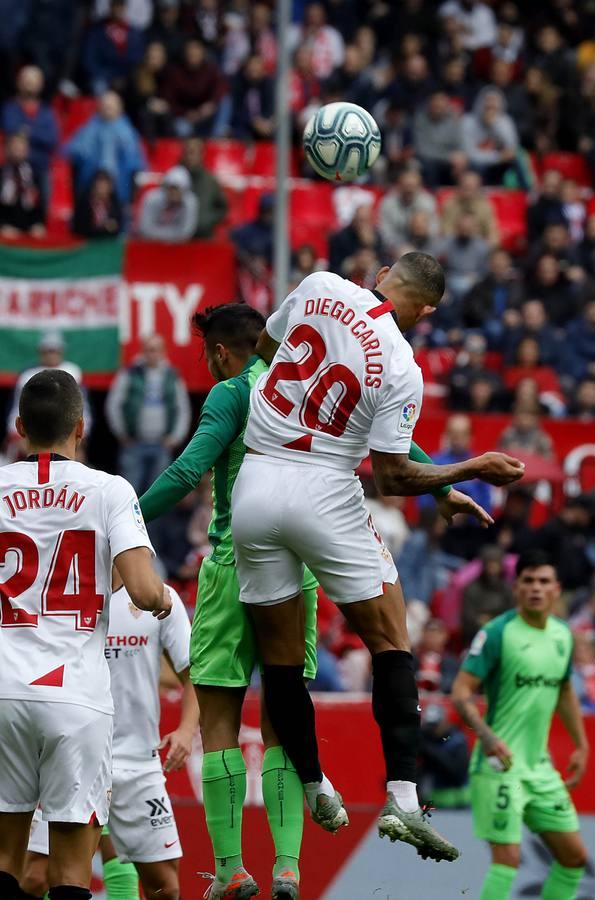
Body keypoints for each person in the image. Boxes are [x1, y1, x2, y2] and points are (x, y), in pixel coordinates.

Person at [230, 252, 525, 862]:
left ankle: (315, 784)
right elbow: (391, 477)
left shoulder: (318, 285)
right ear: (429, 310)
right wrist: (469, 469)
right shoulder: (401, 364)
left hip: (255, 483)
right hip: (325, 488)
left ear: (387, 268)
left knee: (280, 661)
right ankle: (403, 798)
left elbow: (263, 346)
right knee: (391, 639)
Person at [139, 304, 320, 900]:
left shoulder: (230, 394)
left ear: (220, 353)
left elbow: (190, 468)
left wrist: (120, 522)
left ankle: (230, 869)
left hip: (233, 568)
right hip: (298, 572)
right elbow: (394, 446)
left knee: (219, 723)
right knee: (283, 722)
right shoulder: (307, 390)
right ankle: (288, 867)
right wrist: (445, 479)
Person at [0, 369, 169, 900]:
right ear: (81, 428)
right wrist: (163, 599)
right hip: (76, 697)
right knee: (71, 871)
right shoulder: (109, 490)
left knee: (5, 862)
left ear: (20, 426)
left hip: (4, 689)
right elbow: (143, 591)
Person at [21, 578, 197, 900]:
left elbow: (193, 674)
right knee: (35, 875)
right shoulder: (62, 595)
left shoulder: (160, 597)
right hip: (70, 754)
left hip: (137, 759)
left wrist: (186, 731)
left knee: (165, 887)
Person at [451, 550, 589, 900]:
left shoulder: (563, 636)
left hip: (538, 767)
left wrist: (581, 745)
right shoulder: (497, 633)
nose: (536, 589)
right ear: (516, 588)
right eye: (528, 581)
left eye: (544, 582)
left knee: (574, 858)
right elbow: (461, 693)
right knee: (508, 858)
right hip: (499, 766)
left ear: (557, 589)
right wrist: (488, 737)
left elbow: (565, 689)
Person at [105, 335, 191, 495]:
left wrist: (176, 437)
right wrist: (121, 432)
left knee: (157, 494)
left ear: (163, 352)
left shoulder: (172, 375)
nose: (152, 354)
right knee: (129, 492)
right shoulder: (130, 373)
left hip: (161, 444)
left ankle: (155, 522)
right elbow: (114, 403)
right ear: (143, 351)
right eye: (148, 350)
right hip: (134, 443)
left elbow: (182, 407)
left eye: (155, 350)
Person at [5, 332, 93, 449]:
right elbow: (18, 407)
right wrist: (15, 435)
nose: (51, 354)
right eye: (48, 350)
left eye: (54, 350)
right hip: (34, 436)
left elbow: (82, 407)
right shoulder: (27, 375)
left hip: (65, 436)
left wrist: (82, 434)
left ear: (61, 351)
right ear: (40, 351)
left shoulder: (74, 372)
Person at [66, 91, 145, 208]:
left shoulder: (128, 132)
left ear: (120, 108)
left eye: (111, 106)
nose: (108, 108)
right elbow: (74, 151)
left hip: (119, 189)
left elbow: (135, 161)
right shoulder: (89, 128)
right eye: (105, 105)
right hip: (90, 187)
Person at [0, 66, 58, 193]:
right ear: (19, 82)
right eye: (26, 80)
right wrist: (36, 132)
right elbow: (10, 129)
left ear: (41, 85)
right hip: (13, 166)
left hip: (39, 167)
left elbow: (51, 139)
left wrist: (26, 131)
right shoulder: (9, 108)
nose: (29, 84)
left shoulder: (47, 113)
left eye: (33, 81)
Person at [162, 38, 231, 138]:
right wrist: (185, 113)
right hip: (185, 117)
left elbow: (223, 87)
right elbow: (168, 101)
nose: (193, 55)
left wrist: (211, 104)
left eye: (196, 52)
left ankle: (216, 139)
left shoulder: (210, 69)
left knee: (226, 101)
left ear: (203, 53)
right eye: (190, 53)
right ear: (185, 54)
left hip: (205, 115)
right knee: (181, 129)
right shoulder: (175, 73)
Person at [82, 0, 144, 95]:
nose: (118, 9)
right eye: (116, 6)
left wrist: (125, 77)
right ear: (110, 7)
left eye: (121, 6)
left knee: (141, 83)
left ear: (125, 8)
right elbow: (90, 60)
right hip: (104, 76)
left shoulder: (134, 32)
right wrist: (109, 77)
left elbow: (137, 58)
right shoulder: (97, 31)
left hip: (127, 77)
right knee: (98, 84)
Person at [378, 166, 439, 256]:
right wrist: (399, 247)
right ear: (399, 186)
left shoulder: (428, 201)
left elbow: (434, 229)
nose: (409, 190)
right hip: (396, 249)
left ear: (419, 186)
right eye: (406, 186)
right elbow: (385, 233)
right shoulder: (388, 203)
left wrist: (424, 232)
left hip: (425, 247)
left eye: (413, 186)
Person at [461, 545, 514, 645]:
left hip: (501, 635)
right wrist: (480, 621)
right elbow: (467, 617)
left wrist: (491, 621)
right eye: (489, 564)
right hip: (476, 636)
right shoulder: (471, 588)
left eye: (495, 564)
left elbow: (510, 615)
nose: (492, 568)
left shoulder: (507, 589)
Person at [412, 91, 466, 187]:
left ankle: (454, 196)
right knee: (429, 165)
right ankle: (433, 195)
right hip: (427, 161)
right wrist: (448, 157)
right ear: (429, 106)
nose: (438, 110)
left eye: (441, 107)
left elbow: (459, 144)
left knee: (462, 165)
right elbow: (422, 150)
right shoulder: (420, 120)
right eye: (435, 106)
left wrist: (460, 157)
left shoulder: (453, 120)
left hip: (449, 162)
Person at [179, 136, 228, 239]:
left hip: (203, 237)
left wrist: (208, 220)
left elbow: (222, 208)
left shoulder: (210, 181)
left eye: (193, 152)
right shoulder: (174, 178)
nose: (189, 156)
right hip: (177, 237)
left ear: (201, 154)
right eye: (187, 152)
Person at [0, 132, 45, 238]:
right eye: (14, 148)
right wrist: (2, 225)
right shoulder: (2, 174)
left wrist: (38, 224)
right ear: (7, 149)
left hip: (29, 229)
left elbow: (39, 202)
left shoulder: (34, 174)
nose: (17, 153)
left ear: (26, 151)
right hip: (6, 229)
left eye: (21, 149)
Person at [137, 166, 199, 242]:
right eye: (171, 188)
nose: (173, 193)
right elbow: (145, 229)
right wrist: (172, 236)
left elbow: (186, 233)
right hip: (152, 245)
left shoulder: (190, 202)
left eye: (177, 189)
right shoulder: (151, 199)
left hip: (178, 248)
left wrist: (162, 236)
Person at [441, 169, 499, 247]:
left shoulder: (485, 206)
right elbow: (446, 232)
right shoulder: (450, 204)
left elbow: (492, 233)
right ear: (459, 187)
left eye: (471, 187)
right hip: (456, 246)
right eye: (465, 187)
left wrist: (486, 247)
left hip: (478, 246)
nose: (468, 191)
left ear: (478, 188)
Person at [72, 169, 123, 238]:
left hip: (109, 242)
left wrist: (112, 226)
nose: (102, 188)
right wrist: (100, 227)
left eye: (105, 185)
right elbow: (78, 228)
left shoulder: (115, 203)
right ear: (94, 186)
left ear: (110, 187)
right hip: (88, 243)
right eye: (99, 185)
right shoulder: (84, 204)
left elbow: (119, 226)